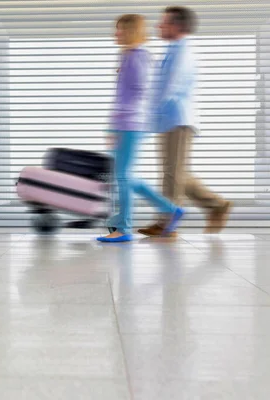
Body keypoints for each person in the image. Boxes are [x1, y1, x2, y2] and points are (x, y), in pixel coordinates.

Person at [139, 6, 233, 237]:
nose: (158, 27)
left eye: (164, 23)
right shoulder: (173, 49)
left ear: (177, 26)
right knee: (176, 172)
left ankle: (166, 224)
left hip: (177, 120)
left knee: (172, 173)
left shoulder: (183, 51)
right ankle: (217, 205)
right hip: (168, 121)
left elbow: (170, 88)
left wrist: (145, 117)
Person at [98, 14, 184, 243]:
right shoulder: (130, 56)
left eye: (119, 30)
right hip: (127, 124)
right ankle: (170, 210)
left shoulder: (137, 58)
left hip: (130, 125)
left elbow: (139, 96)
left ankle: (124, 228)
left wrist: (114, 128)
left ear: (130, 31)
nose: (115, 34)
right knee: (125, 176)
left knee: (124, 177)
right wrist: (112, 127)